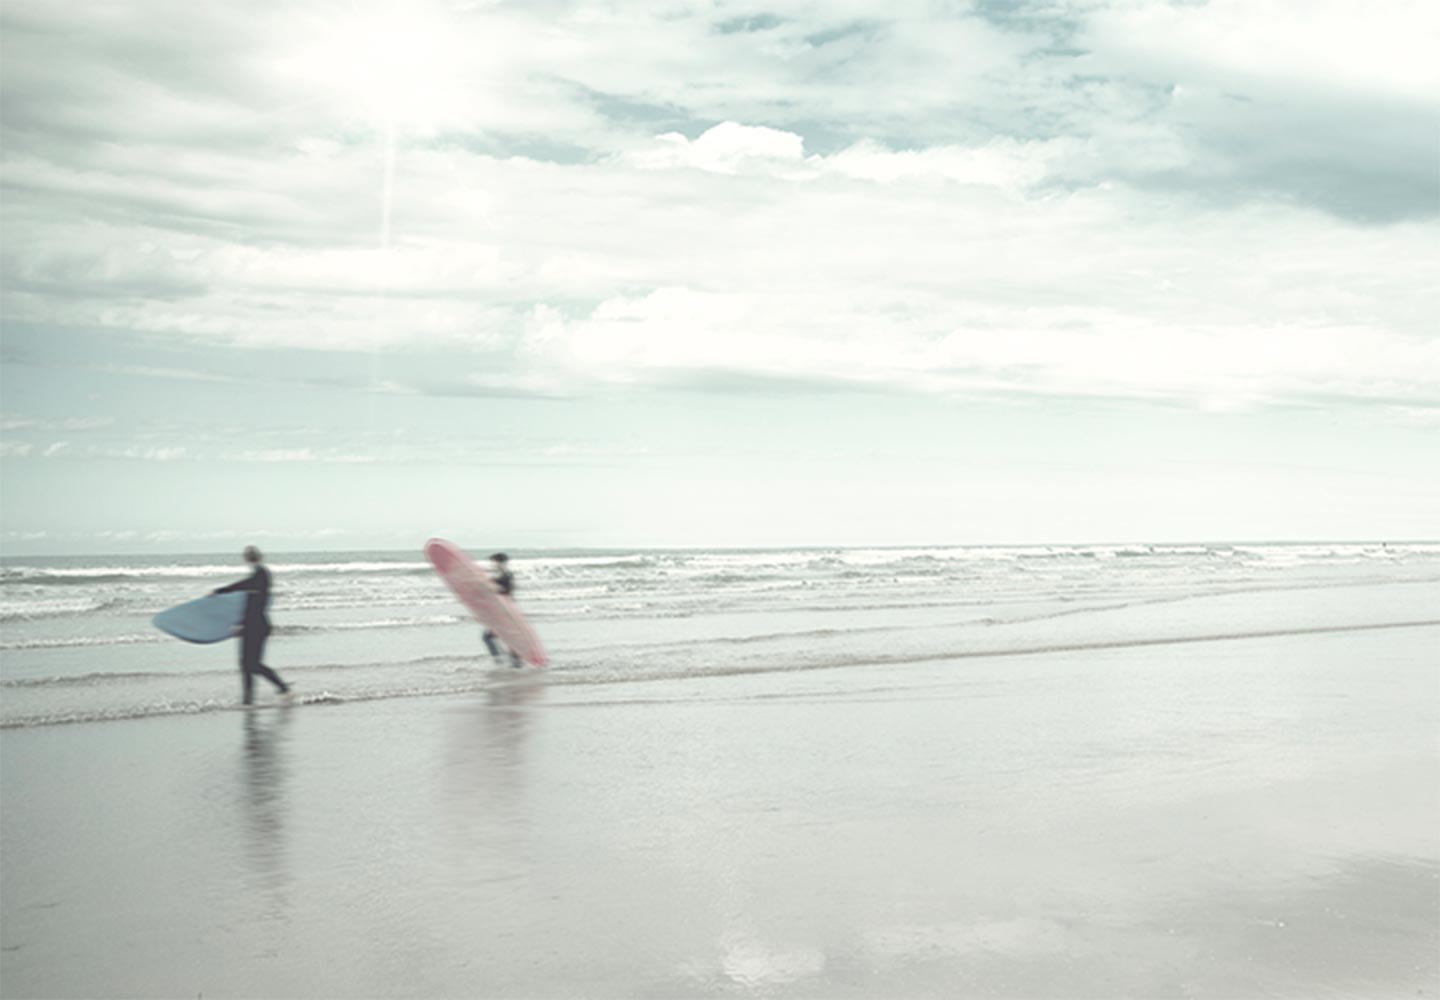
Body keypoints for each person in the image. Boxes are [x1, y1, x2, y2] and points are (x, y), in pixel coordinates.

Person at [213, 546, 292, 705]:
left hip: (258, 626)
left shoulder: (261, 575)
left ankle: (282, 688)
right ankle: (248, 700)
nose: (250, 557)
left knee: (252, 664)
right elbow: (249, 604)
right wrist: (240, 623)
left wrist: (221, 591)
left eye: (250, 555)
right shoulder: (257, 576)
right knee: (246, 665)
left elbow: (246, 588)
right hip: (251, 625)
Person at [482, 552, 523, 669]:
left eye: (494, 562)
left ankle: (502, 660)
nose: (493, 565)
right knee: (505, 637)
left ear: (501, 562)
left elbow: (506, 591)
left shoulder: (506, 576)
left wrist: (493, 586)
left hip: (506, 611)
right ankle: (513, 662)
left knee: (489, 637)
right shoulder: (504, 576)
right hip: (505, 610)